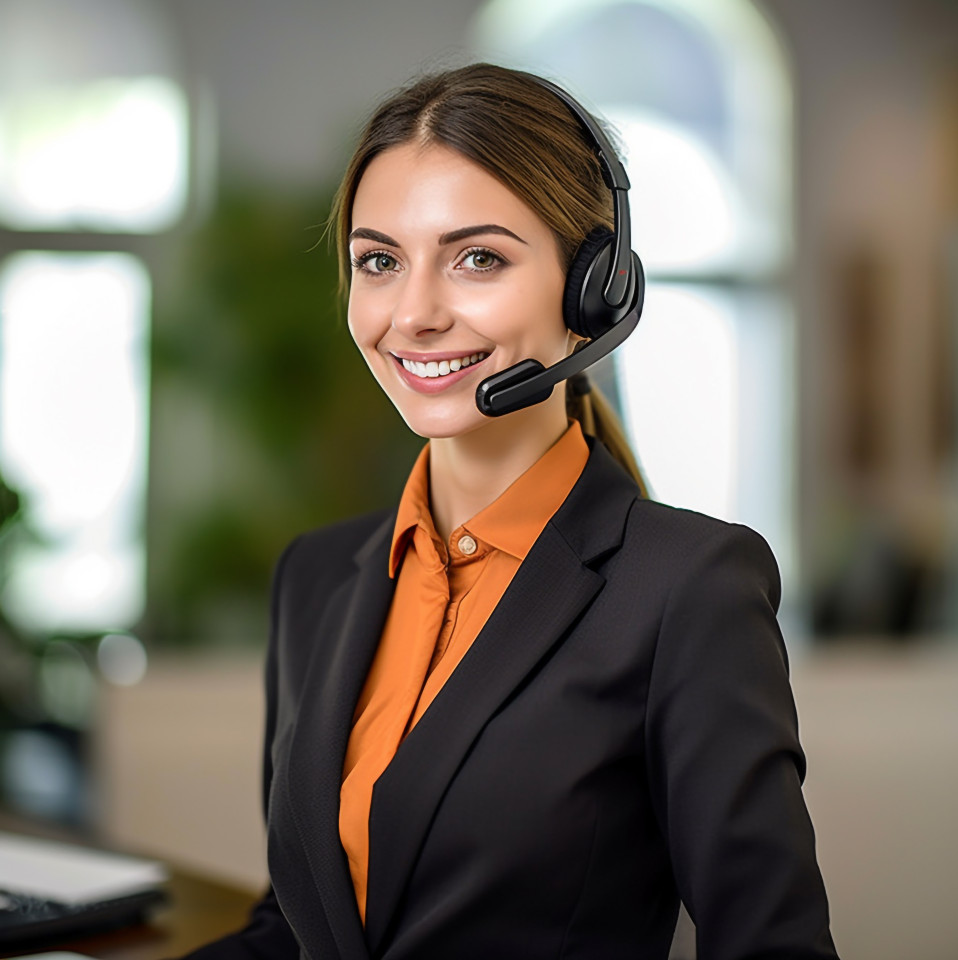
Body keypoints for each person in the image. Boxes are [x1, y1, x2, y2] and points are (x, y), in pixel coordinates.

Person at [183, 63, 840, 960]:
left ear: (594, 289)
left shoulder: (685, 588)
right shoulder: (316, 578)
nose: (413, 314)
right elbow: (295, 928)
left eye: (478, 258)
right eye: (380, 261)